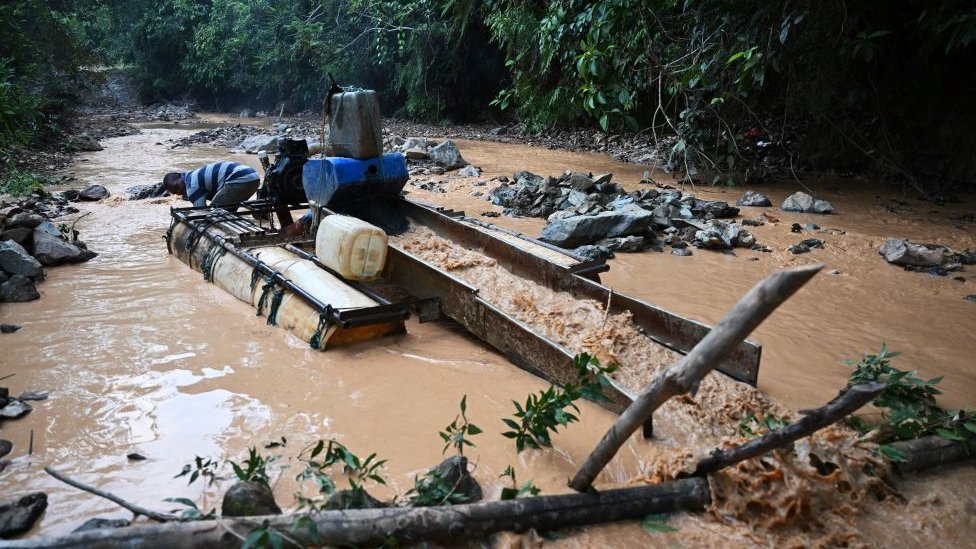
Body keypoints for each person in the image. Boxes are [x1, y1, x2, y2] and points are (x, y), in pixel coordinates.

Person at [163, 161, 260, 209]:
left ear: (180, 177)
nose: (179, 191)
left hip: (239, 179)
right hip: (254, 177)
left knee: (216, 211)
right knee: (228, 209)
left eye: (177, 187)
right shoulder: (193, 175)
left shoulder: (192, 186)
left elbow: (201, 211)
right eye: (176, 192)